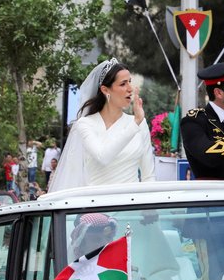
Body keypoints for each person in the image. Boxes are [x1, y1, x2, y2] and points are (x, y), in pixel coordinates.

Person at [49, 58, 155, 192]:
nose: (130, 89)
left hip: (132, 208)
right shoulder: (85, 124)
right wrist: (134, 125)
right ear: (106, 90)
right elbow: (103, 157)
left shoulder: (140, 122)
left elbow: (148, 176)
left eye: (130, 82)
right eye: (123, 84)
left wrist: (150, 211)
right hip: (97, 207)